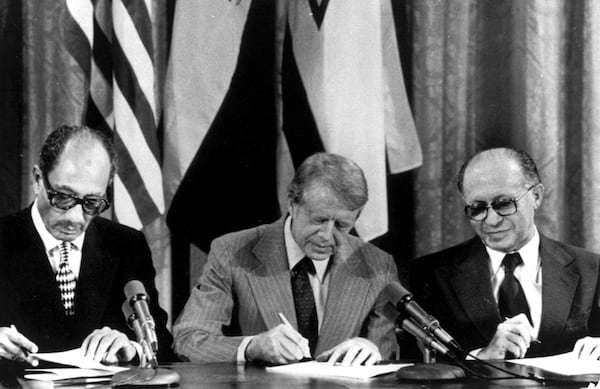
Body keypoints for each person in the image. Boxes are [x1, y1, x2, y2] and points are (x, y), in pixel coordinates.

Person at [173, 152, 400, 365]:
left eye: (342, 225)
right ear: (292, 204)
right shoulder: (232, 251)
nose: (327, 236)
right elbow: (189, 340)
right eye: (319, 220)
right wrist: (251, 346)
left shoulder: (377, 265)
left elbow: (387, 357)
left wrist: (371, 348)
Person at [0, 125, 173, 366]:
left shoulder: (125, 244)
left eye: (92, 202)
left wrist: (132, 348)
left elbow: (162, 344)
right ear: (38, 179)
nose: (74, 218)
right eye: (63, 197)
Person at [411, 148, 600, 360]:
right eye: (477, 208)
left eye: (504, 204)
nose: (491, 220)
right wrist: (482, 357)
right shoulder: (431, 275)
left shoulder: (591, 269)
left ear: (536, 196)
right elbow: (419, 368)